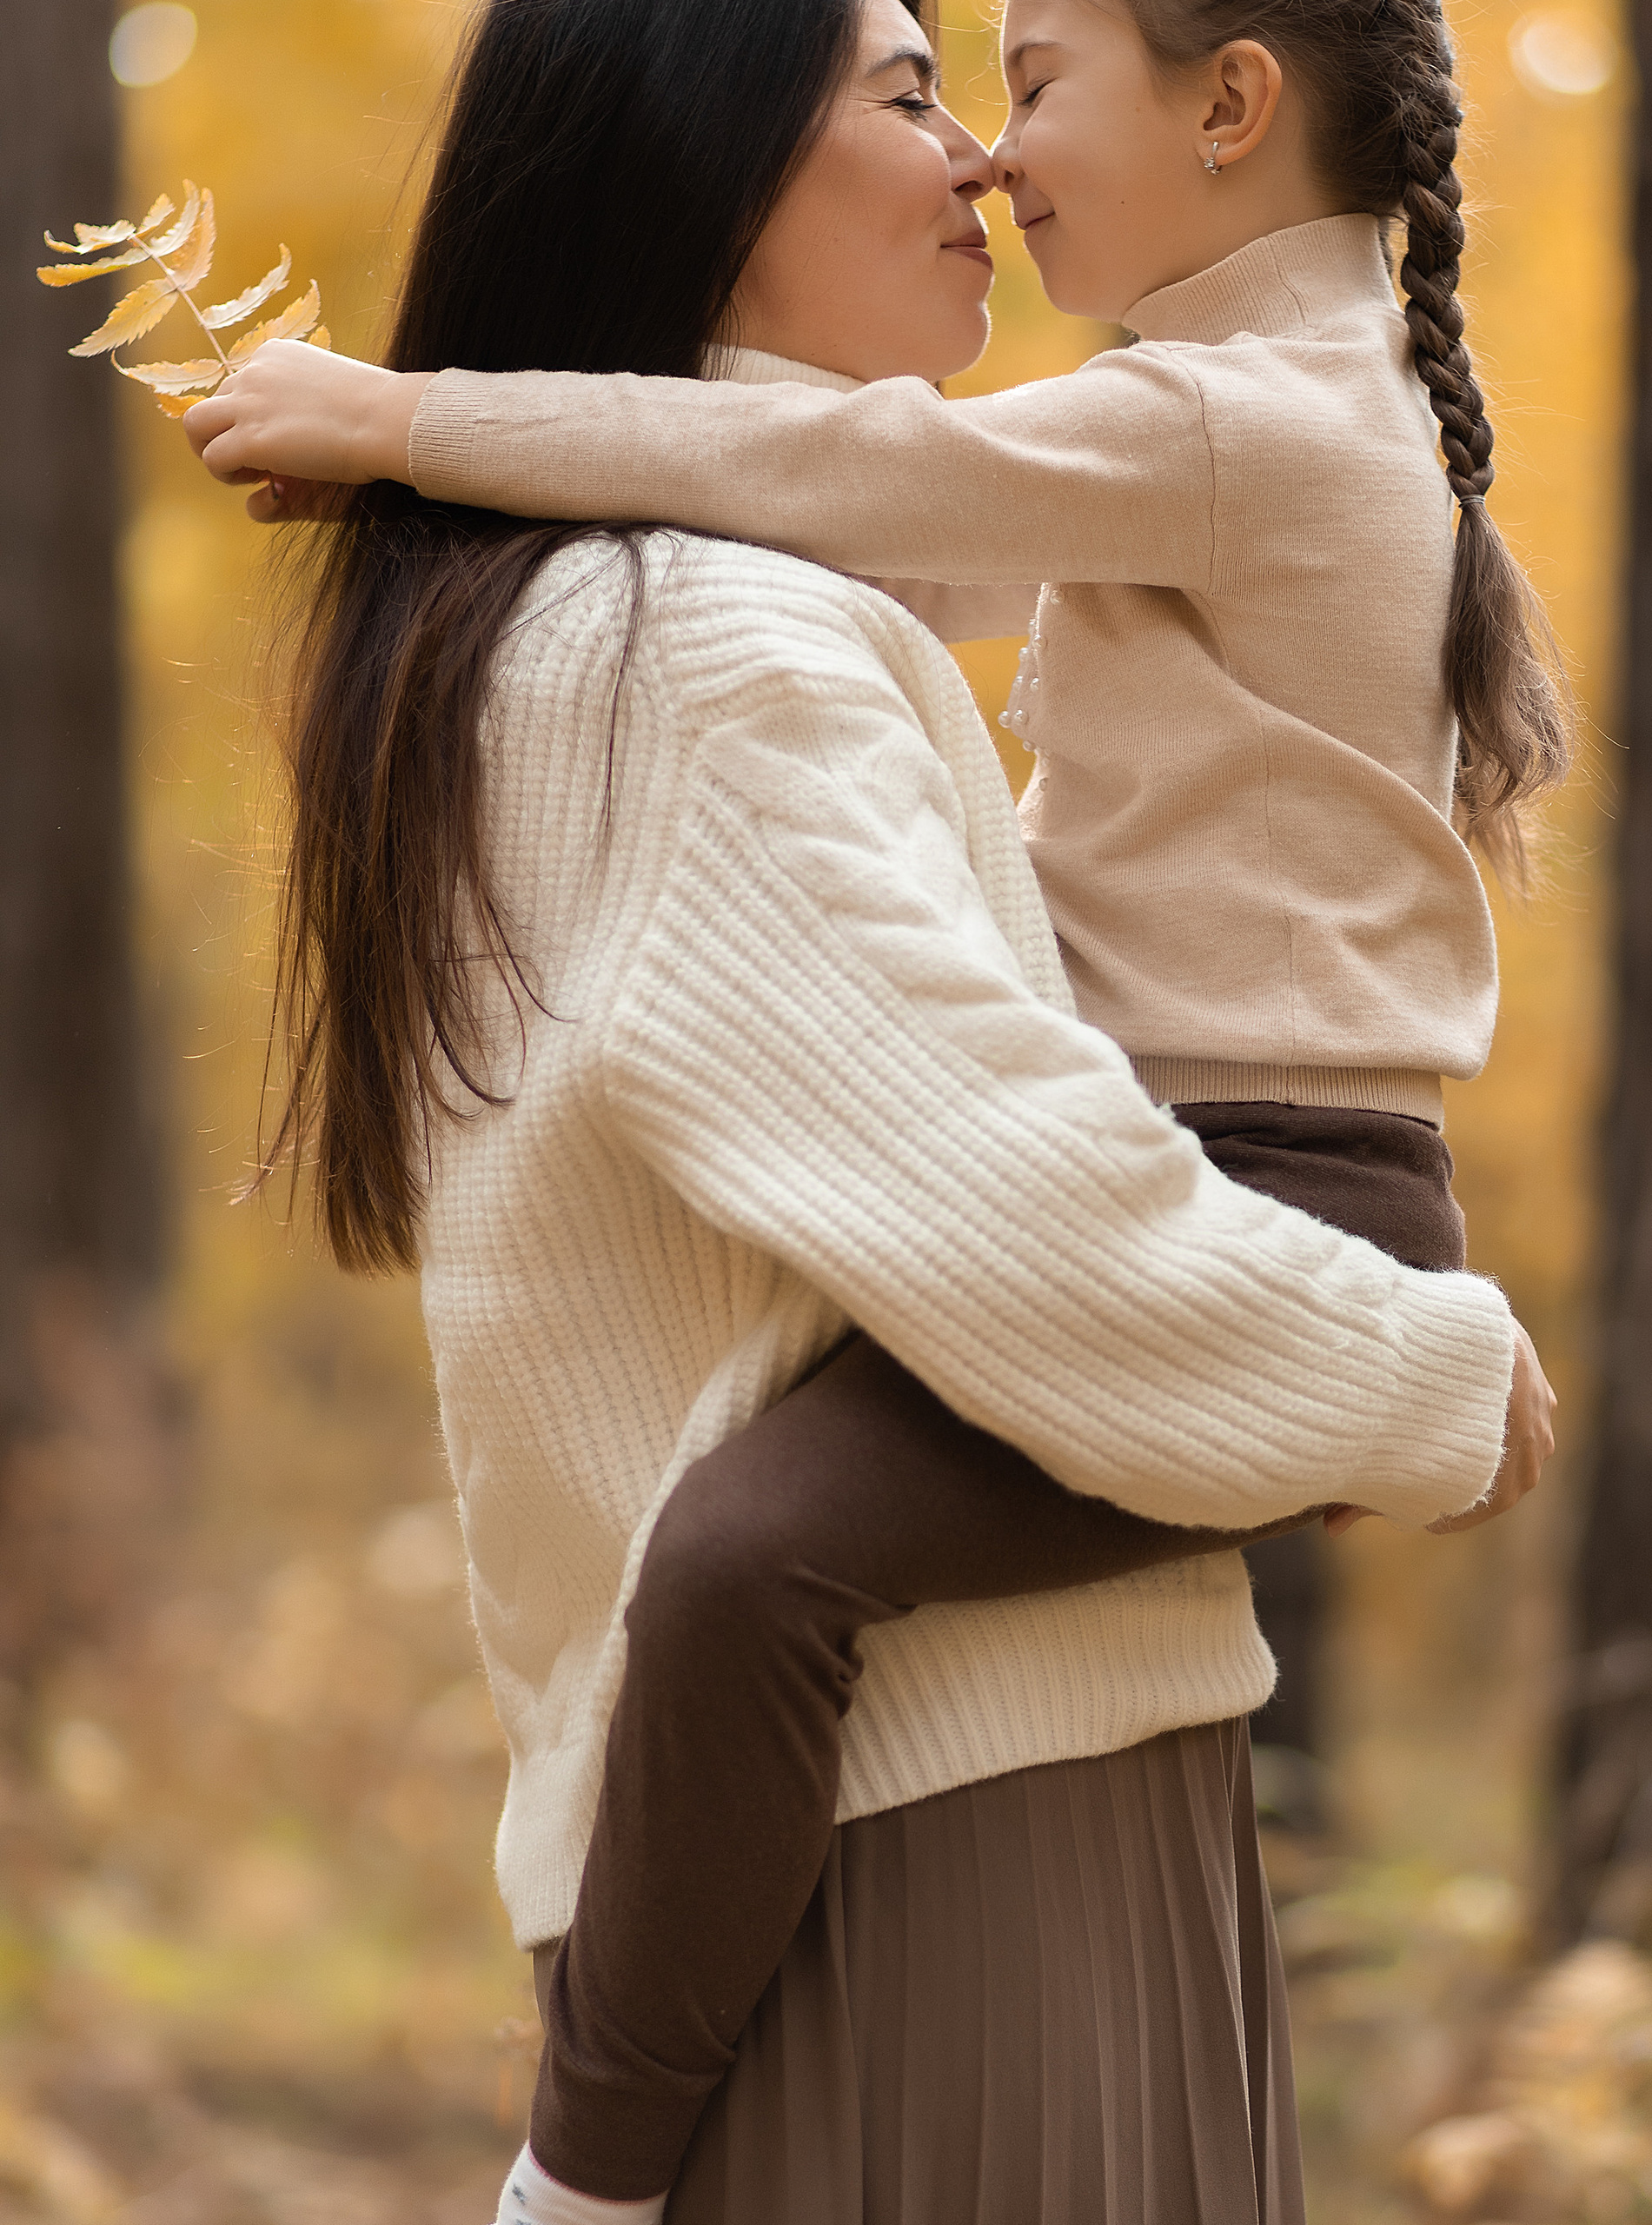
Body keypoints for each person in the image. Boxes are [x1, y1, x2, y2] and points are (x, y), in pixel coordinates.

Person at [191, 0, 1566, 2215]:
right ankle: (590, 2159)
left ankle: (579, 2166)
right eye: (921, 91)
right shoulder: (742, 642)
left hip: (1264, 1213)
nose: (989, 165)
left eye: (1012, 87)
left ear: (1231, 107)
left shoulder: (1233, 421)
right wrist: (1384, 1378)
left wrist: (414, 421)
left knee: (750, 1553)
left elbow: (862, 503)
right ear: (701, 163)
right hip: (967, 1822)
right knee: (741, 1557)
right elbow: (869, 549)